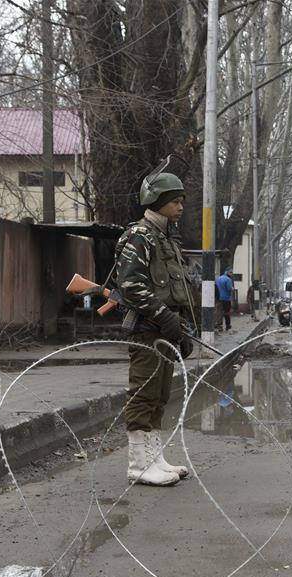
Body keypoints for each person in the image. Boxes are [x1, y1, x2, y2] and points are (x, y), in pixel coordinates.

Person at [114, 169, 195, 487]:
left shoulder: (165, 239)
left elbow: (179, 289)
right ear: (157, 201)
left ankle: (154, 459)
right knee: (143, 394)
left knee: (159, 395)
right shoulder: (140, 235)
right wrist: (166, 318)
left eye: (181, 201)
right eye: (174, 201)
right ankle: (138, 464)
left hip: (164, 330)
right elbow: (131, 286)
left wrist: (183, 329)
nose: (180, 207)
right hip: (148, 330)